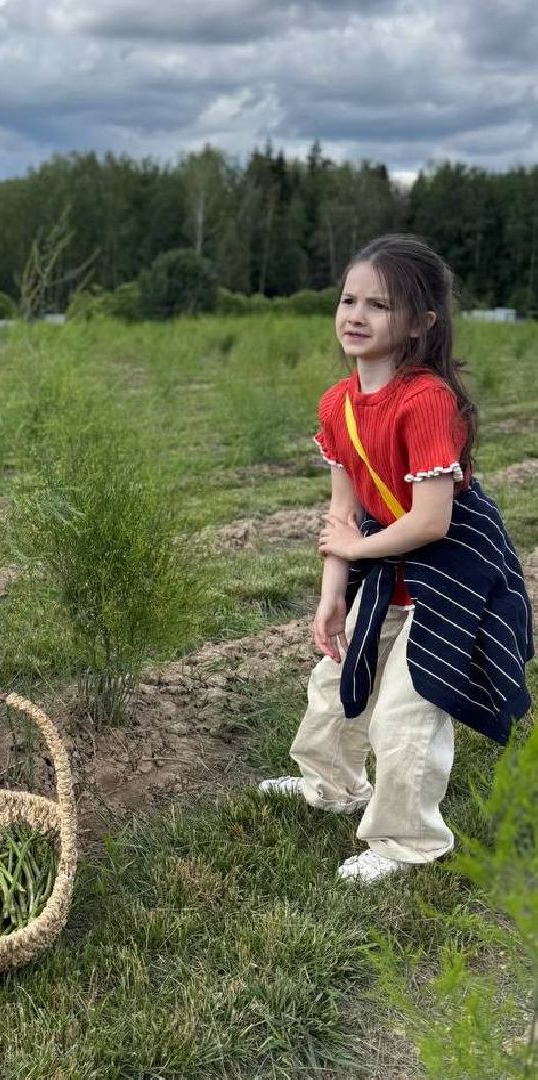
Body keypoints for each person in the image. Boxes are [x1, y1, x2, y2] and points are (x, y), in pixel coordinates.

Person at [258, 234, 533, 884]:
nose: (356, 315)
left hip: (454, 569)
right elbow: (344, 515)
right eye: (349, 300)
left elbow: (432, 520)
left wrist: (356, 549)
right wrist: (332, 594)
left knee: (408, 708)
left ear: (419, 323)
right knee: (335, 679)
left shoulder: (426, 401)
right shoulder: (338, 404)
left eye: (378, 305)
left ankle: (407, 840)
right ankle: (333, 786)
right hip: (387, 564)